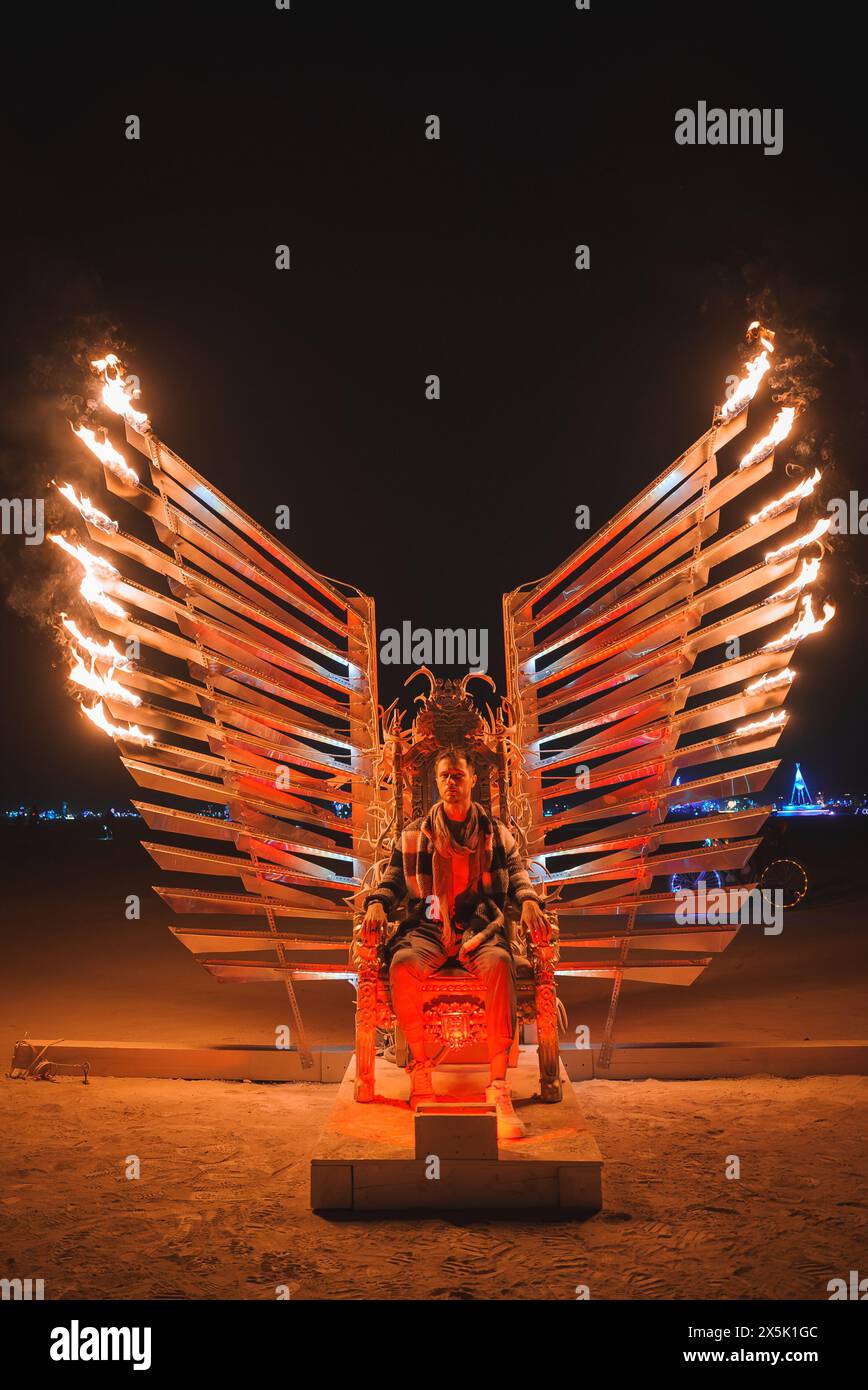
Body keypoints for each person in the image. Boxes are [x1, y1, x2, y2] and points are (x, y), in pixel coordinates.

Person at [360, 746, 550, 1139]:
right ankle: (422, 1068)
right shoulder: (415, 835)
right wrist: (377, 903)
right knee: (402, 964)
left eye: (458, 776)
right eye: (444, 776)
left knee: (500, 964)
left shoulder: (494, 833)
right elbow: (394, 880)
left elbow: (515, 874)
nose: (451, 783)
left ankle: (498, 1085)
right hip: (429, 926)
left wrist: (529, 900)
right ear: (435, 782)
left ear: (472, 780)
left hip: (479, 926)